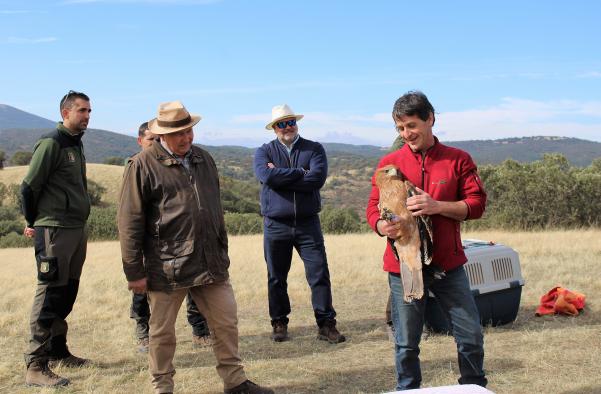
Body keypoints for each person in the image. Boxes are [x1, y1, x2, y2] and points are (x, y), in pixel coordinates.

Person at [118, 101, 273, 394]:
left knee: (226, 323)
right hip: (165, 265)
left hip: (210, 260)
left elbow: (214, 209)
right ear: (163, 134)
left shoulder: (204, 158)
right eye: (178, 133)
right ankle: (162, 388)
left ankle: (235, 382)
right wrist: (133, 271)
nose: (186, 138)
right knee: (162, 334)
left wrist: (221, 248)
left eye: (189, 131)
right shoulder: (141, 165)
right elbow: (129, 221)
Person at [366, 91, 488, 390]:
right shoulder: (389, 163)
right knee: (407, 343)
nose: (406, 134)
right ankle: (408, 390)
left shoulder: (458, 160)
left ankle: (474, 387)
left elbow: (476, 205)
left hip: (449, 265)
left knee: (470, 335)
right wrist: (382, 226)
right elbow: (371, 209)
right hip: (403, 267)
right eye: (400, 128)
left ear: (430, 119)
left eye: (411, 126)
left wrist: (438, 207)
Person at [253, 104, 345, 344]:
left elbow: (317, 179)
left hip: (307, 223)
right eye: (282, 123)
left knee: (319, 274)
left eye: (291, 121)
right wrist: (300, 173)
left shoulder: (314, 148)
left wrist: (282, 175)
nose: (288, 126)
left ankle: (326, 324)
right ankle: (279, 322)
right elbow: (267, 177)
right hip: (275, 224)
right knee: (276, 277)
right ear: (274, 128)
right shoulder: (263, 152)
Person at [21, 90, 92, 387]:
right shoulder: (52, 142)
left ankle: (58, 350)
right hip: (55, 228)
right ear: (66, 113)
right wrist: (33, 221)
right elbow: (28, 187)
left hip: (76, 227)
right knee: (50, 292)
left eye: (89, 111)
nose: (87, 116)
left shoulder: (75, 143)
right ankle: (35, 365)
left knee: (67, 291)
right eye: (82, 111)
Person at [128, 122, 212, 353]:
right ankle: (144, 332)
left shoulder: (187, 162)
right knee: (145, 293)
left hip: (180, 244)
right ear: (140, 141)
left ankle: (200, 330)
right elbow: (131, 216)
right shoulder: (137, 167)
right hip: (152, 247)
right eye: (151, 140)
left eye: (158, 140)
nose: (155, 144)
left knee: (195, 284)